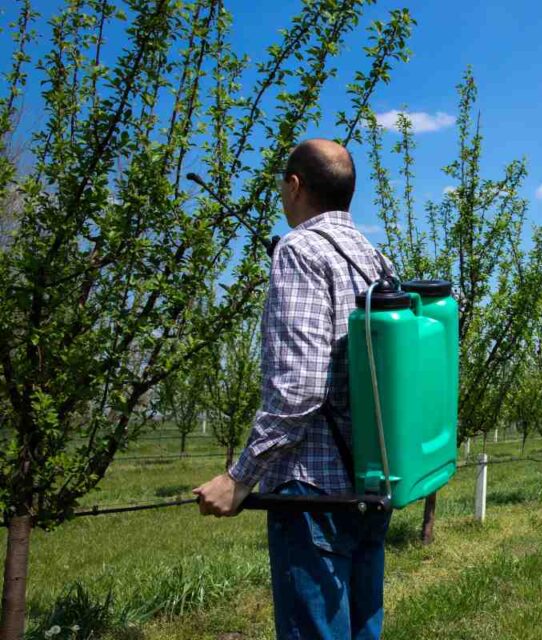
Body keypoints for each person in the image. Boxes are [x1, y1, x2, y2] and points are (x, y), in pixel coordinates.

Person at [193, 138, 393, 640]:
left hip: (311, 491)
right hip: (371, 483)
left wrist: (240, 477)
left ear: (295, 185)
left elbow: (299, 387)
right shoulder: (378, 262)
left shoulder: (299, 251)